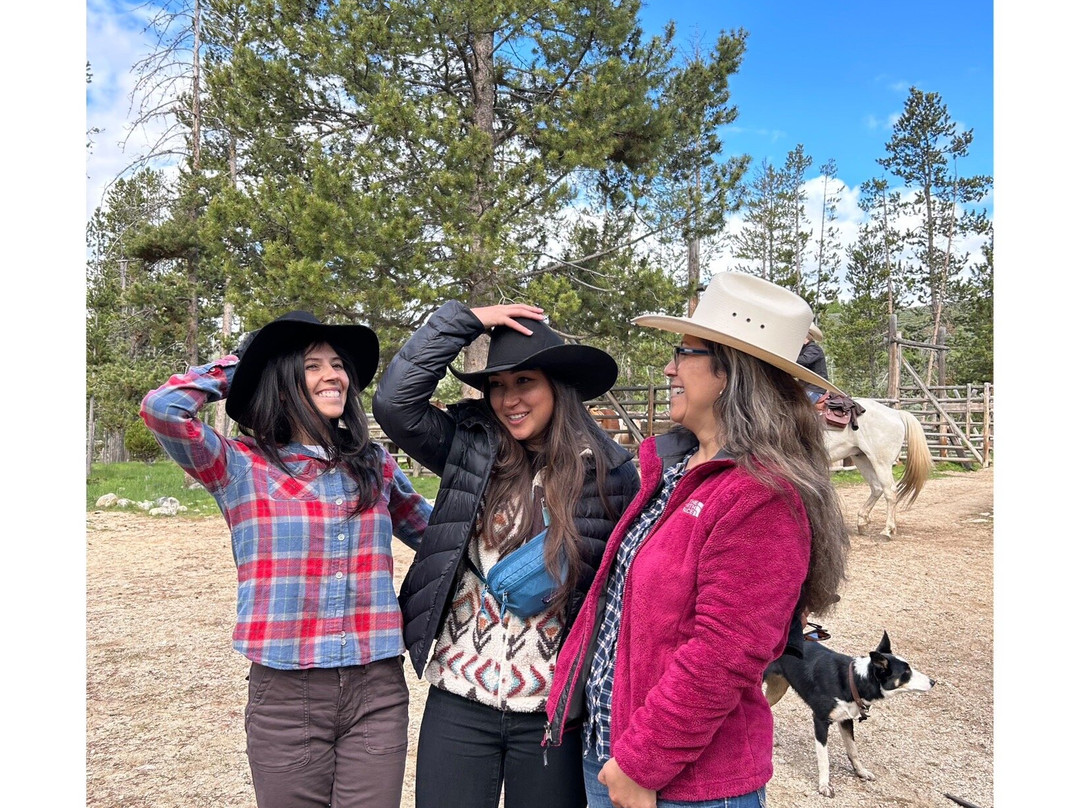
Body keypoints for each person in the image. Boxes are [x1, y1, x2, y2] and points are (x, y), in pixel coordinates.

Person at [544, 273, 850, 808]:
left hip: (682, 783)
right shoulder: (679, 470)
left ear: (731, 372)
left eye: (683, 353)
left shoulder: (762, 495)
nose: (669, 368)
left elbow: (724, 652)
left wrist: (643, 763)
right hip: (619, 754)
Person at [139, 311, 432, 808]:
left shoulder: (374, 465)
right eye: (311, 365)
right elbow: (163, 408)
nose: (333, 375)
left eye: (337, 365)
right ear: (282, 381)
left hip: (376, 689)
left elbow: (436, 534)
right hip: (284, 695)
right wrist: (247, 364)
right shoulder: (237, 464)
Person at [371, 300, 641, 808]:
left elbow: (616, 595)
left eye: (525, 383)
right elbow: (394, 403)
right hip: (459, 696)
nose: (509, 399)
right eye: (498, 385)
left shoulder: (610, 473)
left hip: (551, 711)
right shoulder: (472, 448)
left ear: (557, 387)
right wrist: (467, 320)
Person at [797, 322, 829, 402]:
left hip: (815, 388)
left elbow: (805, 360)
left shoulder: (814, 348)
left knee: (800, 405)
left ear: (806, 337)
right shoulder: (805, 349)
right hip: (807, 387)